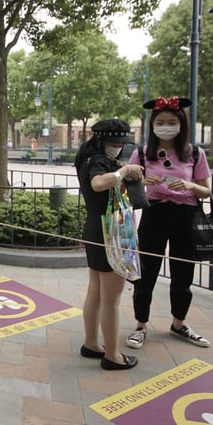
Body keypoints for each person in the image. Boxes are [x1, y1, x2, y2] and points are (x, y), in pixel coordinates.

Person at [126, 96, 213, 351]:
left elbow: (206, 191)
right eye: (160, 122)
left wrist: (189, 185)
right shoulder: (141, 153)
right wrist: (142, 182)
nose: (166, 126)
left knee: (183, 274)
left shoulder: (195, 153)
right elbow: (126, 184)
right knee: (146, 273)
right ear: (152, 125)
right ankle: (141, 326)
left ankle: (179, 324)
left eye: (171, 121)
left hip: (186, 217)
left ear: (181, 124)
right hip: (154, 215)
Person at [75, 119, 143, 371]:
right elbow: (98, 184)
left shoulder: (88, 158)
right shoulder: (101, 162)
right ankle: (112, 355)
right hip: (110, 231)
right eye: (115, 143)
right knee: (111, 299)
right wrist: (124, 172)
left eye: (121, 143)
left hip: (95, 227)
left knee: (95, 290)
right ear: (101, 141)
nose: (119, 147)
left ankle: (91, 343)